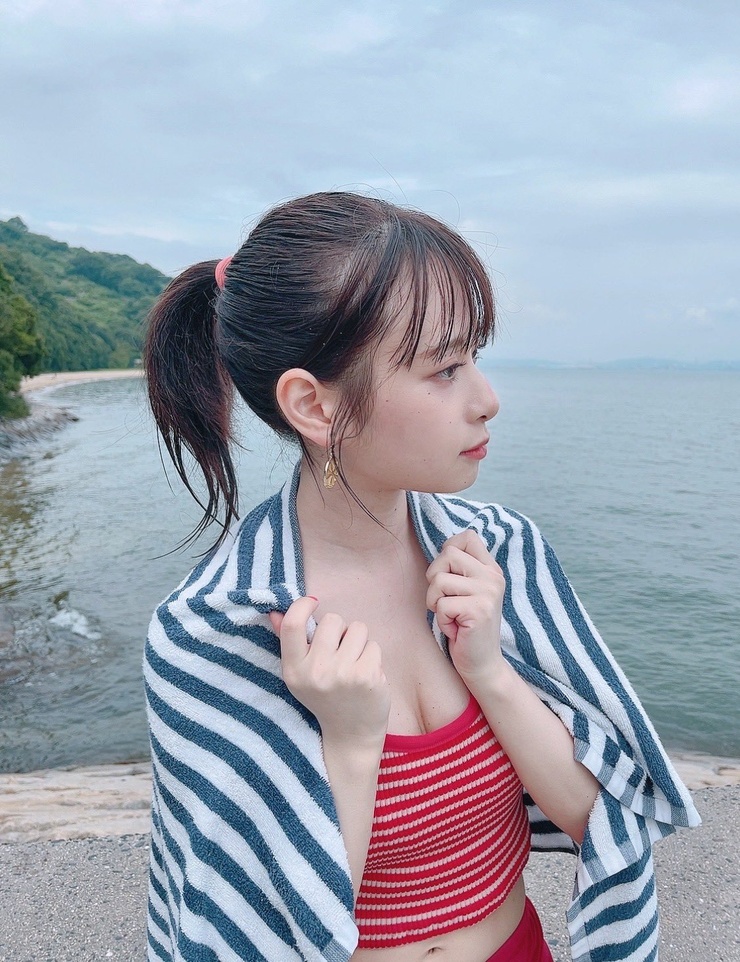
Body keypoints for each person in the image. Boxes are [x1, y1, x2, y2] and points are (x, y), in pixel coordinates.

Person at [142, 191, 699, 962]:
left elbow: (602, 823)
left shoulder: (497, 552)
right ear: (315, 406)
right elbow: (253, 933)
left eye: (476, 358)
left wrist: (490, 670)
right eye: (445, 369)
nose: (487, 401)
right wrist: (350, 744)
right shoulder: (213, 629)